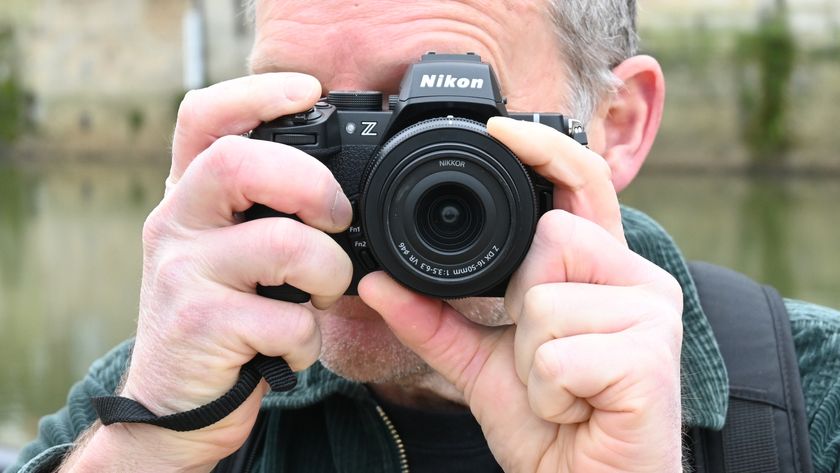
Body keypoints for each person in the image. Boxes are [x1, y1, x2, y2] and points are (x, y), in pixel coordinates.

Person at [8, 1, 840, 472]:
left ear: (615, 125)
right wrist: (142, 447)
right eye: (314, 119)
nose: (360, 191)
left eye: (445, 125)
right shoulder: (171, 394)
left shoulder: (812, 399)